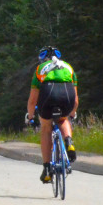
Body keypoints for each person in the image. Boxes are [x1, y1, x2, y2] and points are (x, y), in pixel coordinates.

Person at [25, 45, 78, 184]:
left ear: (42, 59)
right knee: (63, 119)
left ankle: (47, 168)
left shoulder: (40, 69)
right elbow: (76, 100)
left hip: (48, 93)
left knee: (46, 128)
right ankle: (69, 141)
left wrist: (31, 118)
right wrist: (71, 114)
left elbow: (32, 101)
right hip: (67, 93)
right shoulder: (68, 67)